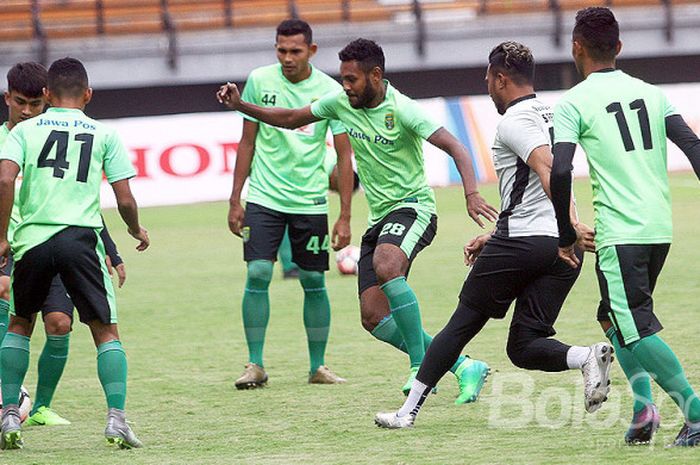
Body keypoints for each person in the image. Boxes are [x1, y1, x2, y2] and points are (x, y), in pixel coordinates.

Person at [218, 38, 497, 400]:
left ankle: (419, 368)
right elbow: (289, 119)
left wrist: (471, 193)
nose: (345, 86)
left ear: (376, 75)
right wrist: (241, 105)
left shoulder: (404, 109)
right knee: (374, 318)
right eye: (343, 78)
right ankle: (462, 365)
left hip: (414, 208)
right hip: (380, 218)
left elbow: (456, 146)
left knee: (386, 264)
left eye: (352, 79)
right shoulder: (340, 103)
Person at [374, 41, 615, 428]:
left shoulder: (514, 120)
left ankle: (407, 413)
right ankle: (586, 356)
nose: (486, 85)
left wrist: (564, 231)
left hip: (530, 242)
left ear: (501, 78)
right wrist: (561, 230)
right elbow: (542, 184)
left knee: (460, 325)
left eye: (487, 77)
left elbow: (549, 169)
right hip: (555, 249)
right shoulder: (553, 112)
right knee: (524, 345)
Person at [551, 7, 700, 447]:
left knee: (634, 324)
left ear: (575, 48)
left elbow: (560, 172)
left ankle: (694, 413)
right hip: (658, 228)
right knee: (611, 316)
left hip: (621, 233)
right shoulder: (652, 94)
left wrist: (565, 233)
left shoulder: (573, 101)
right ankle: (642, 410)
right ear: (618, 47)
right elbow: (693, 148)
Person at [0, 57, 149, 450]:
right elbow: (125, 198)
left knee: (19, 324)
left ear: (46, 95)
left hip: (31, 241)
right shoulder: (105, 135)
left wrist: (2, 237)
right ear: (88, 94)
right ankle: (116, 420)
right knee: (105, 331)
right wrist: (134, 229)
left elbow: (5, 178)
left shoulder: (24, 131)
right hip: (80, 239)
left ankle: (9, 414)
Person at [227, 19, 354, 389]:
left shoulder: (331, 91)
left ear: (311, 51)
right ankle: (255, 365)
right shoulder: (259, 80)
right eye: (281, 50)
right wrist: (236, 198)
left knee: (314, 279)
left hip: (311, 200)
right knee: (258, 274)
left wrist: (345, 215)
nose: (287, 58)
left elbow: (344, 158)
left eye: (295, 51)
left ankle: (318, 367)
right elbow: (246, 142)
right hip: (264, 197)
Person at [278, 149, 361, 279]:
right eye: (336, 188)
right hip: (278, 175)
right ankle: (290, 267)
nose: (331, 189)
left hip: (284, 176)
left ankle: (296, 264)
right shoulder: (324, 164)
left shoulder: (331, 158)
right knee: (286, 217)